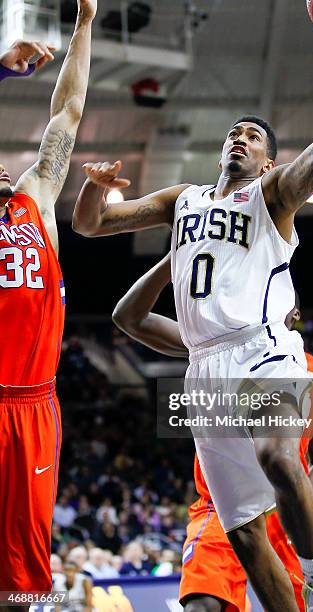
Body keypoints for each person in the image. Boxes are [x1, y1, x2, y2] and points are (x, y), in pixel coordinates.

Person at [73, 5, 313, 610]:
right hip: (204, 368)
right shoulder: (184, 200)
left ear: (268, 161)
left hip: (264, 346)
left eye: (253, 135)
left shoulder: (272, 195)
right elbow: (91, 225)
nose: (239, 136)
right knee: (247, 537)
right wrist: (95, 185)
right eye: (235, 130)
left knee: (280, 455)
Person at [112, 254, 313, 612]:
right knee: (201, 607)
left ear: (293, 313)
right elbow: (127, 317)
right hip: (223, 507)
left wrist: (302, 502)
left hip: (288, 511)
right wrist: (177, 255)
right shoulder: (217, 345)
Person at [0, 0, 96, 604]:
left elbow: (67, 111)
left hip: (33, 407)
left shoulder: (33, 199)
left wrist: (85, 23)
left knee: (23, 581)